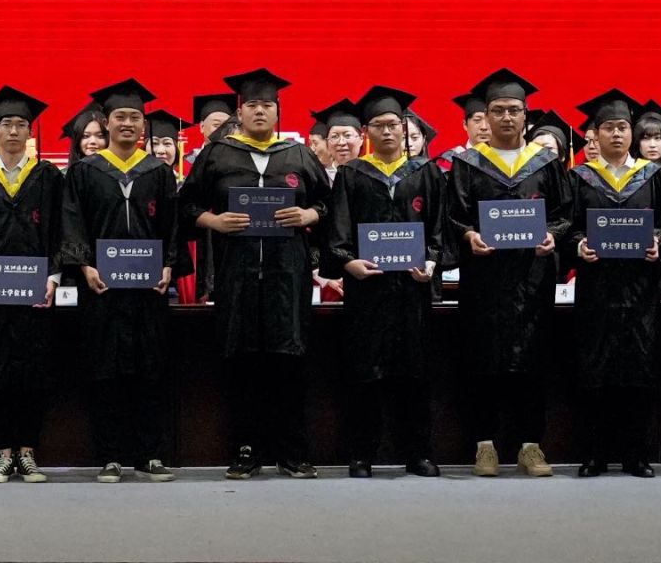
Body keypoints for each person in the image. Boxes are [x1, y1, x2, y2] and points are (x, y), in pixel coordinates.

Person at [182, 67, 326, 480]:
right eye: (252, 105)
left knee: (289, 362)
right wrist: (214, 221)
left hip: (288, 275)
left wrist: (310, 214)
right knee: (243, 363)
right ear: (240, 112)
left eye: (267, 105)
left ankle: (292, 451)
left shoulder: (298, 155)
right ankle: (245, 449)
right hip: (237, 273)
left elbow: (330, 204)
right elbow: (187, 205)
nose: (260, 111)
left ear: (278, 112)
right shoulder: (218, 154)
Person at [438, 69, 571, 478]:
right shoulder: (467, 164)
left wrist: (552, 235)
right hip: (484, 279)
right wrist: (469, 236)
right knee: (482, 359)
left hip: (532, 278)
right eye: (498, 110)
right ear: (486, 115)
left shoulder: (546, 163)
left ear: (526, 115)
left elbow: (565, 213)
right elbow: (453, 216)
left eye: (514, 110)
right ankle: (485, 446)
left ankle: (531, 445)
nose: (507, 117)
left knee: (533, 360)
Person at [62, 78, 180, 483]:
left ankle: (150, 453)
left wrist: (168, 264)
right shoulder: (84, 171)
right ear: (107, 122)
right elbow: (72, 222)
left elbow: (172, 225)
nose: (127, 123)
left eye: (134, 117)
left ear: (143, 125)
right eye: (120, 116)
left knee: (151, 369)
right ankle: (110, 455)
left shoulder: (158, 172)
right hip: (102, 289)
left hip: (148, 290)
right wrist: (84, 266)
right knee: (104, 370)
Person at [323, 85, 443, 478]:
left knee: (416, 373)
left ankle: (418, 453)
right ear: (367, 132)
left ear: (404, 127)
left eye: (393, 124)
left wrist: (431, 262)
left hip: (412, 290)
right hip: (367, 291)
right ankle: (361, 454)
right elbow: (337, 232)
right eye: (379, 125)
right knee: (365, 374)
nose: (387, 131)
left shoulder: (426, 173)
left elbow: (438, 229)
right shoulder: (352, 175)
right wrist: (349, 263)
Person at [0, 87, 65, 485]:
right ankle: (4, 453)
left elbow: (61, 232)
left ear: (30, 132)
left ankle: (29, 452)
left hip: (37, 295)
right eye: (6, 124)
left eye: (21, 125)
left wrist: (54, 277)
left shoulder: (48, 177)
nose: (14, 131)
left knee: (34, 373)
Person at [563, 90, 661, 479]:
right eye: (608, 127)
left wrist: (659, 244)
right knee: (595, 371)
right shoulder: (579, 178)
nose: (616, 134)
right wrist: (579, 245)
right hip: (596, 290)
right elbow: (567, 227)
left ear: (632, 133)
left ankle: (636, 455)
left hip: (640, 291)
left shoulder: (654, 176)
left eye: (622, 127)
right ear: (595, 134)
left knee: (638, 370)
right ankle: (594, 454)